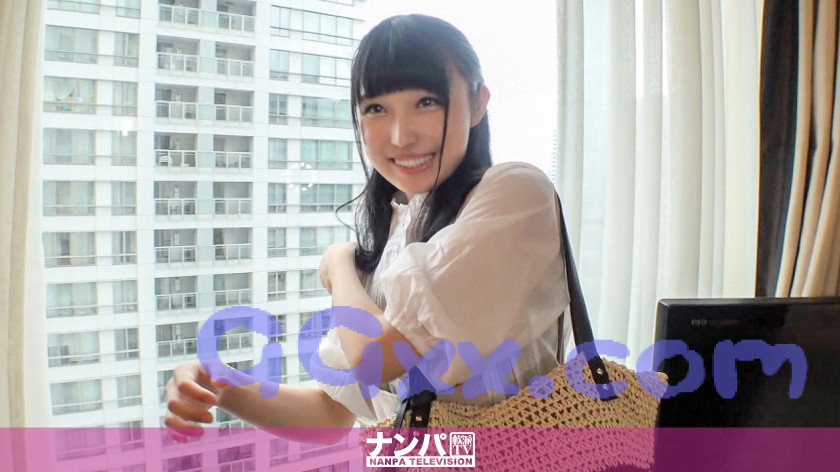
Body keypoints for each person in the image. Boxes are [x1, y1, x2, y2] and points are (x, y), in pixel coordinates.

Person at [165, 14, 571, 444]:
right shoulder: (392, 238)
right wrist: (220, 383)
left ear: (478, 103)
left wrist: (340, 262)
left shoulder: (514, 194)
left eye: (427, 102)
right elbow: (331, 414)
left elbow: (375, 360)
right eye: (376, 108)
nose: (400, 136)